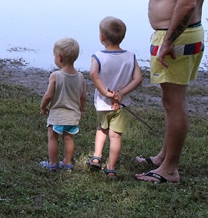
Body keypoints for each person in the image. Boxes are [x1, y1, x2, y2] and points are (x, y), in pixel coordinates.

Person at [135, 0, 208, 184]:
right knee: (170, 101)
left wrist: (168, 41)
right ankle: (162, 158)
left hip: (178, 37)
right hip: (183, 35)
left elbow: (187, 3)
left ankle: (170, 170)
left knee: (174, 103)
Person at [87, 16, 143, 179]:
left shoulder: (98, 56)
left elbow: (93, 74)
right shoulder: (130, 56)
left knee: (102, 128)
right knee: (116, 135)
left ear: (101, 37)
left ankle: (97, 157)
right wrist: (122, 93)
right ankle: (110, 167)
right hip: (121, 104)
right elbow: (138, 78)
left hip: (104, 103)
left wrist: (106, 92)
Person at [40, 38, 86, 171]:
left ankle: (53, 163)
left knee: (53, 138)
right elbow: (83, 97)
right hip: (72, 115)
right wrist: (81, 110)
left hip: (57, 115)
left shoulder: (55, 75)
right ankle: (67, 163)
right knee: (68, 139)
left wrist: (43, 106)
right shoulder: (81, 76)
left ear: (59, 57)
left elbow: (48, 95)